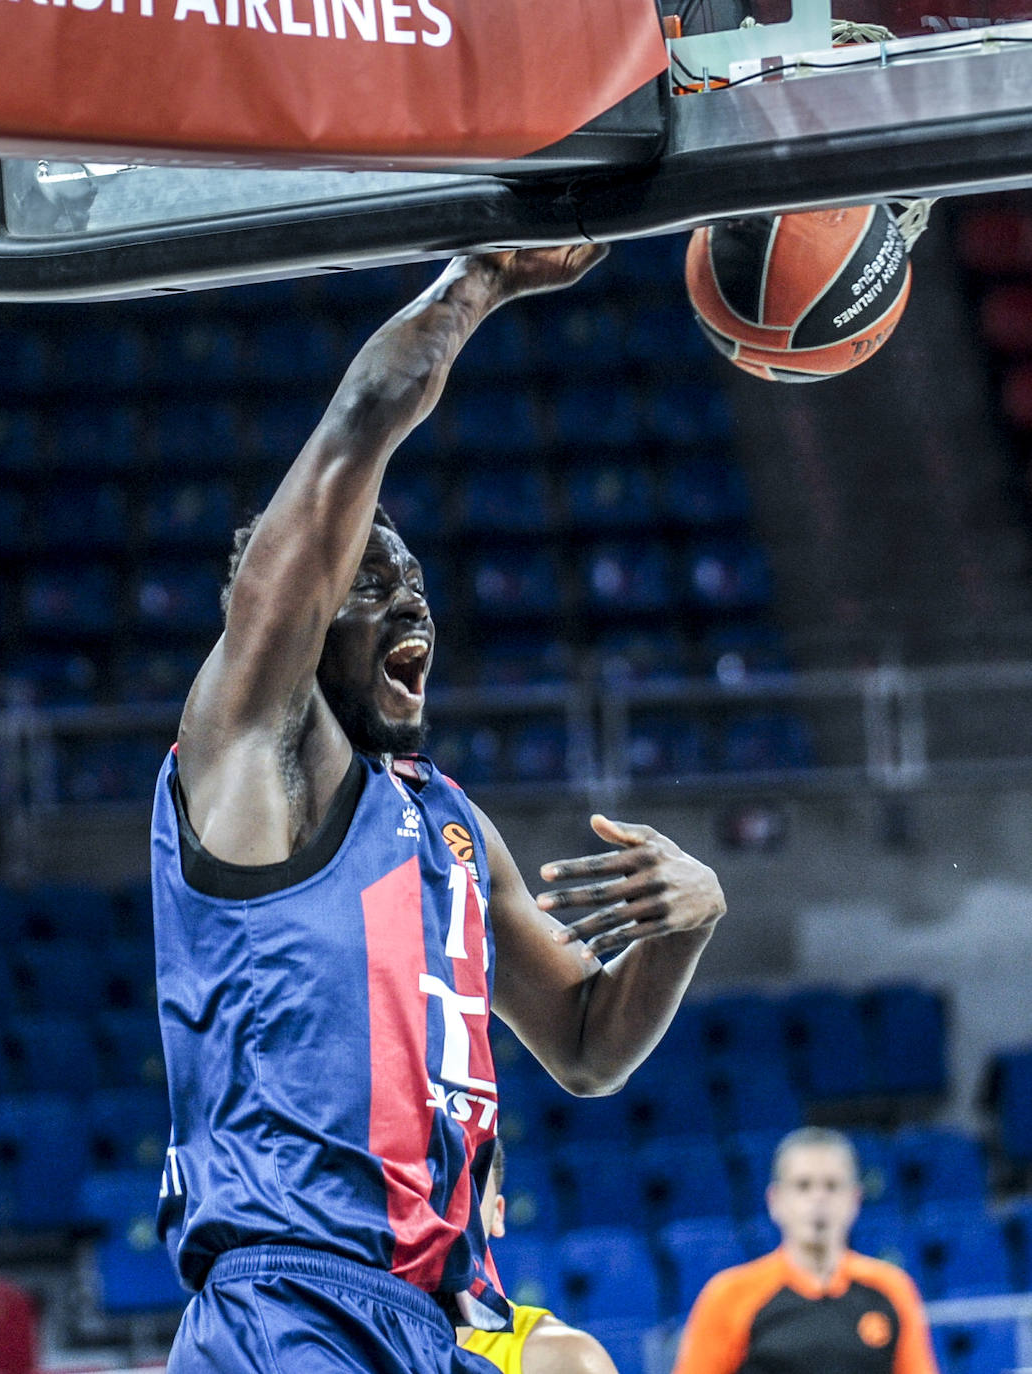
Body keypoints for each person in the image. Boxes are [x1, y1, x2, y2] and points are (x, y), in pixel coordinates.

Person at [152, 245, 728, 1374]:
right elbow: (360, 424)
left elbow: (583, 1045)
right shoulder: (247, 761)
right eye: (373, 585)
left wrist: (688, 925)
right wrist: (485, 278)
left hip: (435, 1314)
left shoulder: (450, 824)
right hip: (292, 1300)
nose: (410, 599)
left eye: (417, 586)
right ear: (295, 623)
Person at [671, 1126, 939, 1374]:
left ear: (855, 1199)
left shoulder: (892, 1288)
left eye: (832, 1185)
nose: (818, 1198)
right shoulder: (728, 1295)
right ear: (775, 1200)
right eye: (803, 1185)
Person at [458, 1138, 619, 1374]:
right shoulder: (383, 1351)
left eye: (468, 1182)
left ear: (497, 1214)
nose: (448, 1203)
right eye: (429, 1177)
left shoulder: (563, 1361)